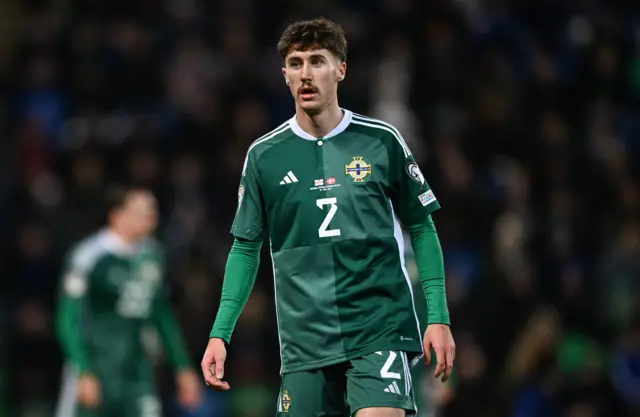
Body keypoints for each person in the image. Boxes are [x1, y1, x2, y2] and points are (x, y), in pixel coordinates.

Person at [201, 18, 456, 416]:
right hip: (306, 342)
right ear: (284, 74)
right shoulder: (264, 156)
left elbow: (422, 228)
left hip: (378, 329)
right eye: (296, 63)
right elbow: (246, 248)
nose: (306, 73)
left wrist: (438, 317)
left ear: (341, 69)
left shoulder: (381, 141)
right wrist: (221, 333)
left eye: (317, 61)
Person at [54, 186, 201, 417]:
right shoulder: (89, 256)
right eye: (142, 211)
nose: (151, 217)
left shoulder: (152, 255)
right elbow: (68, 319)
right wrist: (83, 370)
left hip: (137, 369)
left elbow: (162, 314)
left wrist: (183, 367)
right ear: (117, 215)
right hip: (96, 364)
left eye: (153, 210)